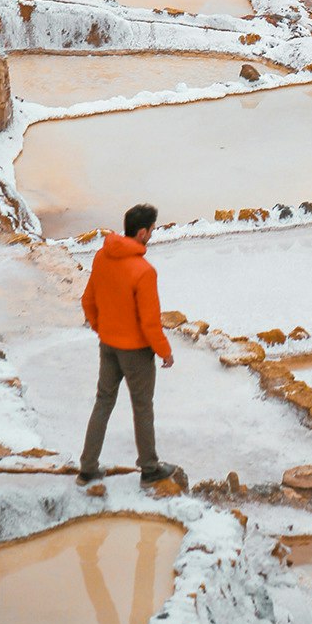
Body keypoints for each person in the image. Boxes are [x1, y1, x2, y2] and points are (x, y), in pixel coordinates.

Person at [77, 202, 180, 485]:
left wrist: (102, 329)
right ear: (143, 232)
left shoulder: (101, 256)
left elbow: (88, 301)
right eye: (152, 230)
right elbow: (149, 322)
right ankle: (149, 468)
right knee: (142, 407)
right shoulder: (143, 271)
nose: (153, 234)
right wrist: (165, 352)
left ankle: (87, 466)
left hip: (108, 345)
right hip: (135, 352)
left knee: (103, 402)